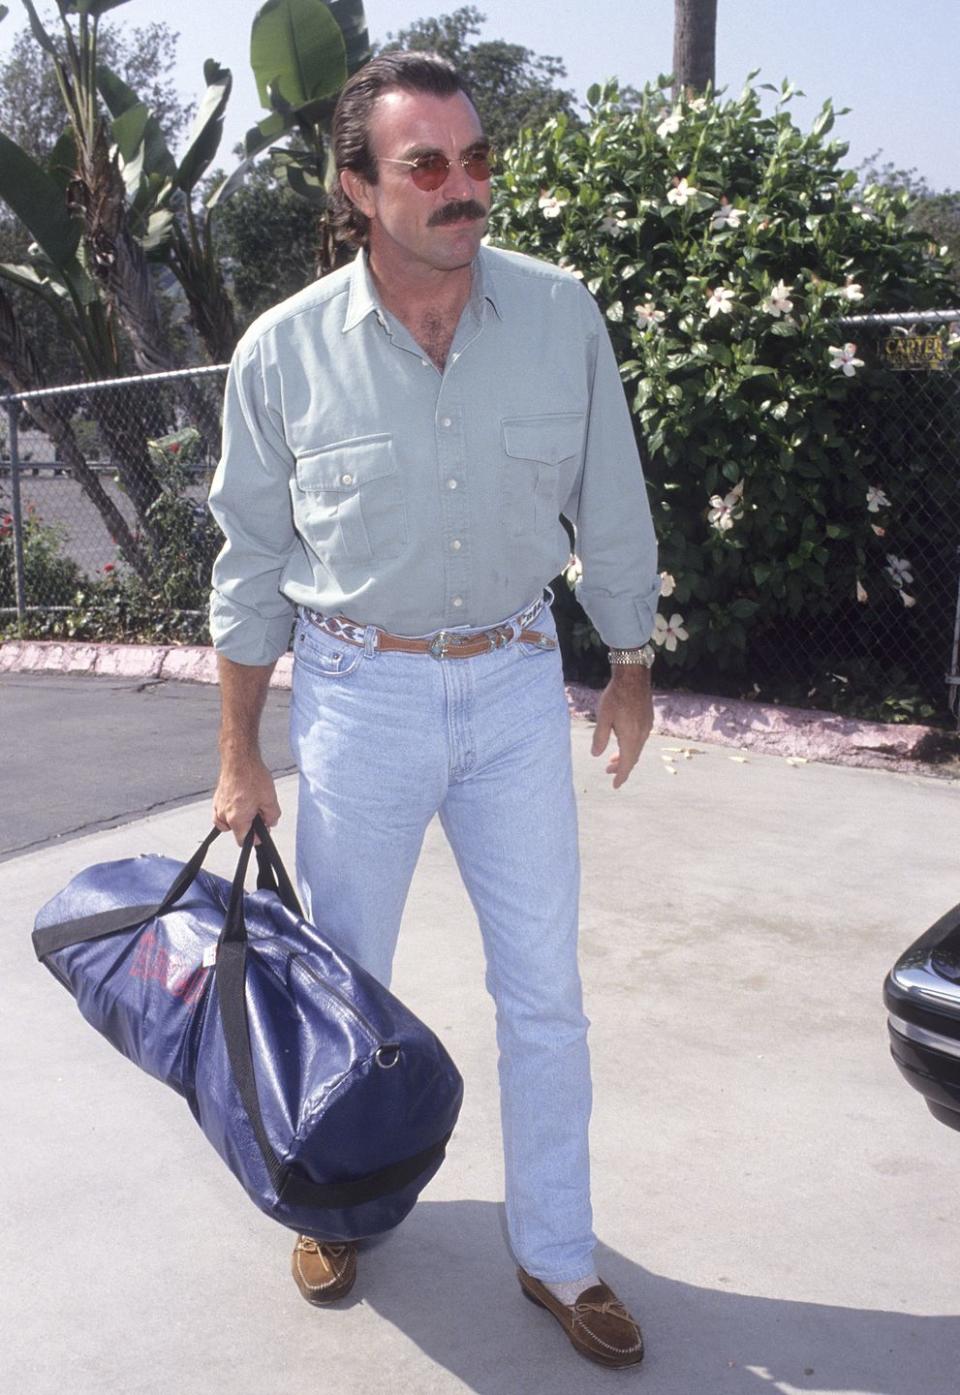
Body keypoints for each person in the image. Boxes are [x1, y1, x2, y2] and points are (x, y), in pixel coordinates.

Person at [208, 51, 659, 1371]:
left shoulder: (561, 314)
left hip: (519, 683)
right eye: (427, 167)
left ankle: (560, 1257)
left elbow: (610, 496)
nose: (465, 190)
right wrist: (238, 751)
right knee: (346, 985)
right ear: (357, 186)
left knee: (544, 992)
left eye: (476, 162)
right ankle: (338, 1209)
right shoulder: (281, 355)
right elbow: (248, 563)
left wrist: (626, 660)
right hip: (359, 694)